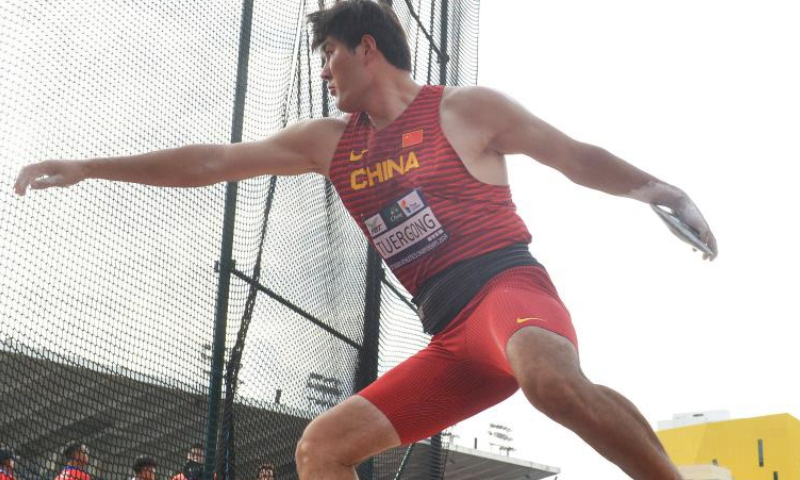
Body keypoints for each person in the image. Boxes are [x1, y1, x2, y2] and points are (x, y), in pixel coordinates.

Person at [14, 1, 718, 479]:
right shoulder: (327, 143)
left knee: (549, 379)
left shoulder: (466, 110)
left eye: (327, 54)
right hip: (449, 337)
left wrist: (660, 190)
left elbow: (571, 154)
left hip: (507, 292)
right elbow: (212, 162)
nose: (321, 72)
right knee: (321, 448)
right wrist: (89, 167)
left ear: (367, 48)